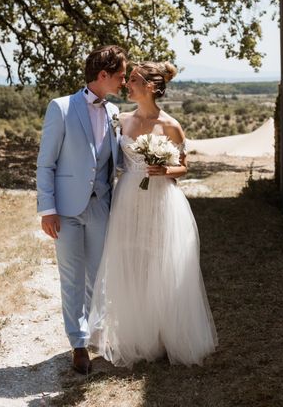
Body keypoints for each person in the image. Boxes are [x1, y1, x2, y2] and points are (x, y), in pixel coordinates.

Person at [88, 61, 218, 368]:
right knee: (131, 262)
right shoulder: (121, 120)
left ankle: (163, 336)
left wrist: (165, 169)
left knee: (160, 263)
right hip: (127, 199)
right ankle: (135, 335)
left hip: (160, 199)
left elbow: (184, 167)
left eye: (132, 81)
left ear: (149, 87)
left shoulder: (170, 125)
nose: (126, 85)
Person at [36, 45, 127, 374]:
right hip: (66, 210)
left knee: (99, 276)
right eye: (120, 76)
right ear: (103, 75)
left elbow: (117, 161)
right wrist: (47, 209)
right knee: (72, 277)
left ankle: (97, 335)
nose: (123, 81)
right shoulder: (60, 108)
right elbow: (45, 163)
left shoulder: (114, 112)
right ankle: (78, 343)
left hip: (102, 205)